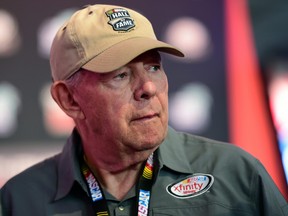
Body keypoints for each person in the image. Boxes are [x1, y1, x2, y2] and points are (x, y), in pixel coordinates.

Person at [0, 3, 287, 216]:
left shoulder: (236, 175)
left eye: (153, 67)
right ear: (69, 100)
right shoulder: (20, 200)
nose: (148, 87)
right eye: (120, 75)